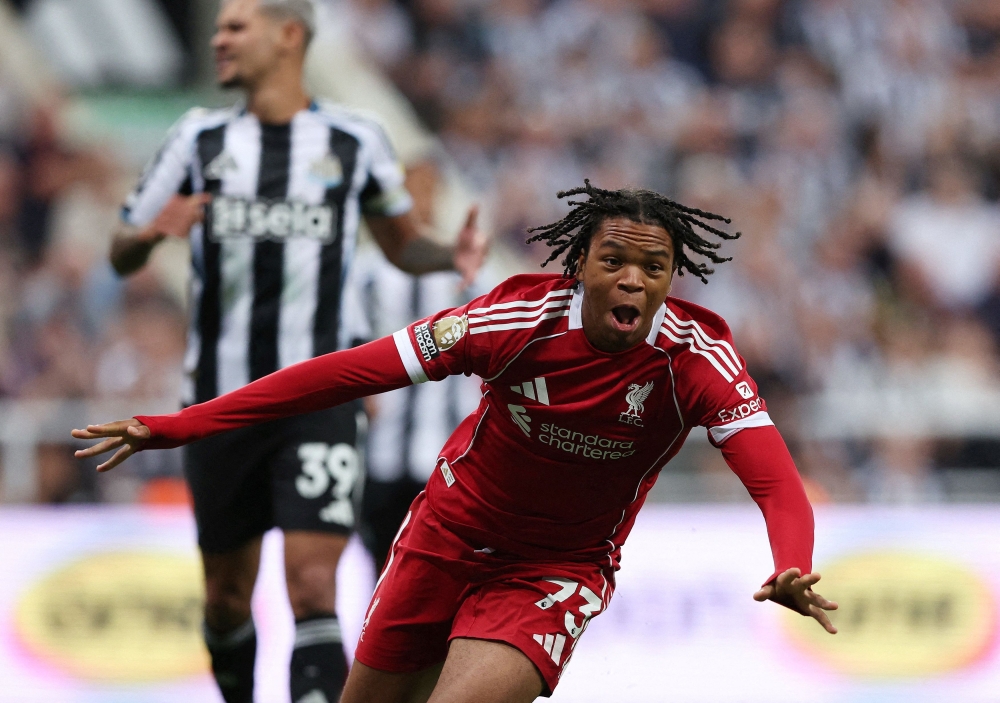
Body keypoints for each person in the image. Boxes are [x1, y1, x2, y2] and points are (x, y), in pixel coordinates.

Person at [77, 182, 836, 703]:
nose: (634, 280)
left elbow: (774, 482)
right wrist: (182, 423)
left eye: (654, 267)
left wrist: (792, 561)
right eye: (615, 261)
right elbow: (341, 375)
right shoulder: (509, 323)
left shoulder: (696, 358)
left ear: (673, 279)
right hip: (446, 535)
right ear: (580, 267)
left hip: (555, 570)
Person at [106, 1, 486, 702]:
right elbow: (121, 251)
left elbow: (403, 245)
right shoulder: (196, 139)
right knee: (225, 596)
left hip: (320, 398)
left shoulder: (354, 140)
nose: (217, 39)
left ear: (289, 37)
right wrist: (155, 229)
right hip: (219, 404)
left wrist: (447, 253)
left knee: (313, 581)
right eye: (218, 28)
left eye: (234, 28)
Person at [349, 247, 487, 573]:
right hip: (382, 453)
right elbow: (348, 338)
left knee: (437, 570)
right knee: (384, 566)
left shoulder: (470, 275)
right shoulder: (367, 273)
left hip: (448, 456)